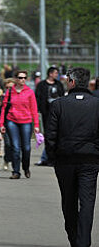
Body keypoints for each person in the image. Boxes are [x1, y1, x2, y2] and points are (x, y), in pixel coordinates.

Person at [46, 67, 99, 247]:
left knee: (68, 201)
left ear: (72, 82)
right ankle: (83, 242)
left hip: (65, 160)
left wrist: (53, 157)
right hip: (90, 159)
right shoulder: (96, 104)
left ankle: (74, 238)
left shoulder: (58, 104)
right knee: (87, 202)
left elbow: (51, 135)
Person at [0, 70, 40, 179]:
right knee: (15, 147)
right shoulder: (10, 92)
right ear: (16, 79)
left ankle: (26, 167)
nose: (22, 80)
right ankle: (16, 171)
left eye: (24, 78)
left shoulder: (29, 92)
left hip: (26, 121)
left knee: (26, 148)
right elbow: (4, 108)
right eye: (20, 78)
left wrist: (36, 125)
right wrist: (1, 123)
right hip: (12, 121)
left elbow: (34, 109)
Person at [35, 67, 65, 166]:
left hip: (58, 113)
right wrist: (39, 109)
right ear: (50, 74)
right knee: (48, 135)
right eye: (56, 73)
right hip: (46, 113)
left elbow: (62, 96)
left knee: (57, 134)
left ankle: (52, 157)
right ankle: (48, 158)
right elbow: (38, 97)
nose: (57, 75)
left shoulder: (58, 84)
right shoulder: (42, 85)